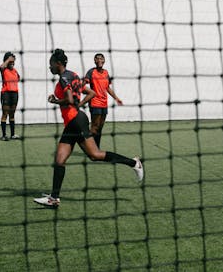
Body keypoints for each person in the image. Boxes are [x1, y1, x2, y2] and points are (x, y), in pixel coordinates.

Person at [34, 49, 143, 207]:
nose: (49, 67)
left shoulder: (64, 78)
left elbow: (70, 99)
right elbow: (91, 93)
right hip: (77, 119)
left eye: (51, 65)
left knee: (68, 158)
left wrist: (55, 101)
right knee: (84, 156)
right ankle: (133, 163)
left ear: (58, 64)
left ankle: (54, 197)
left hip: (74, 121)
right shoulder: (73, 76)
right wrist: (78, 105)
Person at [83, 53, 123, 148]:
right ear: (95, 61)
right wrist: (87, 94)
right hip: (95, 103)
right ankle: (88, 147)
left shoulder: (106, 73)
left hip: (104, 104)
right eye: (97, 58)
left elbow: (108, 88)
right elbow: (82, 85)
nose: (99, 60)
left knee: (100, 128)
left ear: (104, 60)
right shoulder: (91, 72)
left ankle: (97, 148)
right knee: (94, 128)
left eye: (101, 58)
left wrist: (117, 99)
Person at [0, 52, 20, 141]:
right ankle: (4, 135)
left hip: (15, 94)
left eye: (13, 61)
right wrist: (8, 60)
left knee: (12, 114)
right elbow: (1, 67)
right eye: (10, 61)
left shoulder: (15, 70)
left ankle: (12, 134)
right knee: (5, 114)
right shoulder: (4, 69)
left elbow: (18, 78)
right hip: (6, 94)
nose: (12, 63)